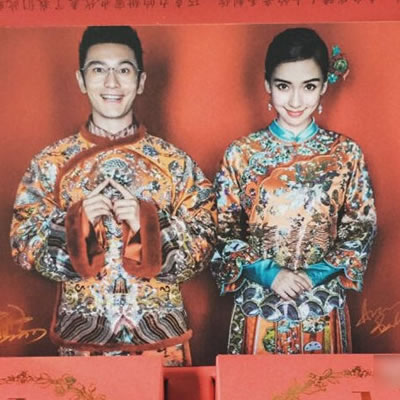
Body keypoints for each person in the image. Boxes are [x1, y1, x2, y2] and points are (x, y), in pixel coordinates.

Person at [10, 26, 216, 366]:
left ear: (141, 81)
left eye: (123, 70)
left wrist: (150, 224)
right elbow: (23, 246)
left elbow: (205, 242)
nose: (111, 82)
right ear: (81, 80)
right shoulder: (51, 163)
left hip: (160, 340)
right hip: (82, 338)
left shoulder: (175, 163)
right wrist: (76, 224)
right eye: (98, 70)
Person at [211, 28, 377, 355]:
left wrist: (315, 274)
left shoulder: (345, 153)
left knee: (323, 381)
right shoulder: (242, 153)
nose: (296, 101)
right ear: (267, 85)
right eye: (284, 86)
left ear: (324, 86)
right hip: (260, 302)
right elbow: (222, 228)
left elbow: (361, 227)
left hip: (322, 301)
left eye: (309, 86)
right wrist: (270, 274)